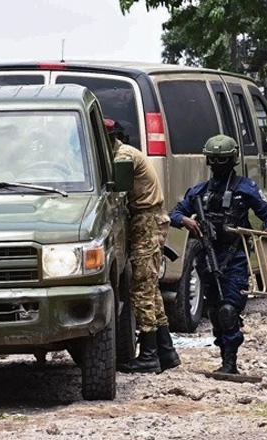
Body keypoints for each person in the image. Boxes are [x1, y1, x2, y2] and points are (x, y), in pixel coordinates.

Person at [169, 134, 267, 374]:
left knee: (229, 310)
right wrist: (186, 222)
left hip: (235, 259)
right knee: (214, 311)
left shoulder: (246, 189)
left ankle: (230, 363)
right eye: (215, 160)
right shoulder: (200, 192)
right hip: (207, 259)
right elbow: (174, 213)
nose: (218, 165)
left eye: (222, 160)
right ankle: (224, 357)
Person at [106, 119, 181, 374]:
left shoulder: (123, 156)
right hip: (146, 220)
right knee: (150, 288)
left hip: (146, 220)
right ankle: (165, 351)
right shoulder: (120, 152)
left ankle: (149, 354)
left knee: (141, 288)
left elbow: (115, 192)